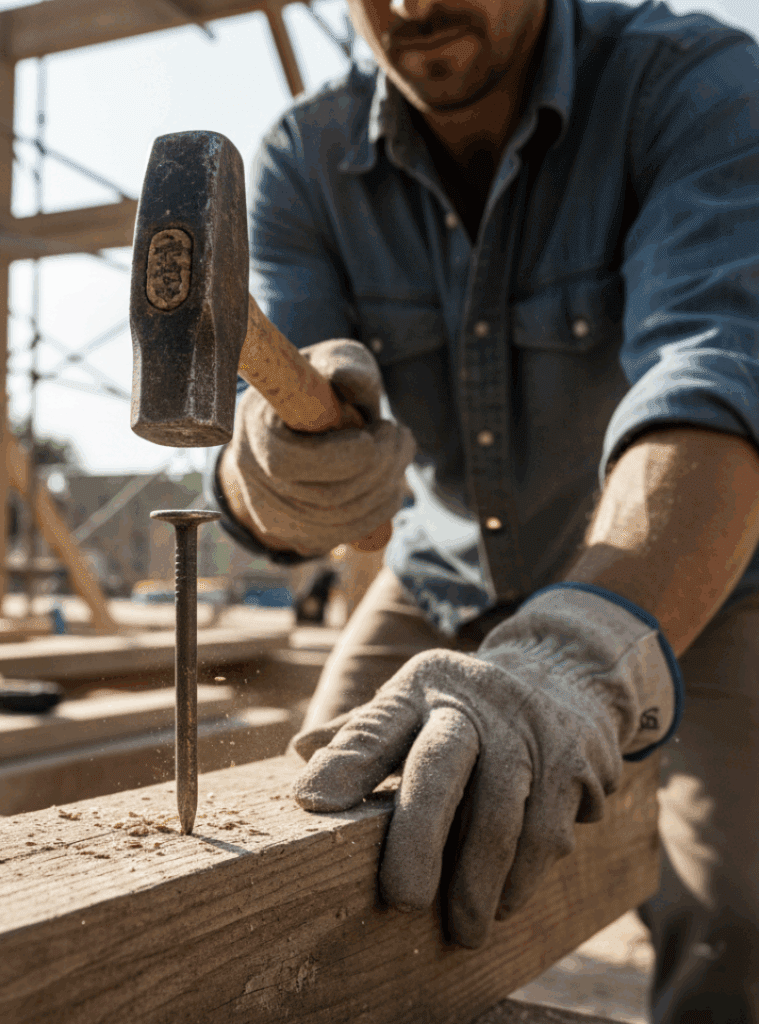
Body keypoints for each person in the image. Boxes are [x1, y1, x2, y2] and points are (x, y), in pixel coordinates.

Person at [206, 0, 759, 1020]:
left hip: (700, 575)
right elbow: (318, 506)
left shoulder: (696, 86)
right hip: (447, 570)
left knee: (736, 913)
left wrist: (574, 656)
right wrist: (276, 477)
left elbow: (717, 375)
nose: (413, 6)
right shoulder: (302, 159)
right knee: (314, 851)